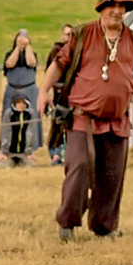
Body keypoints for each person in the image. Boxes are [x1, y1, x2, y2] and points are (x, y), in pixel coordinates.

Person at [52, 0, 133, 239]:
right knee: (79, 167)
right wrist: (43, 92)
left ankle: (104, 226)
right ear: (101, 8)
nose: (117, 11)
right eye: (112, 6)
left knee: (112, 175)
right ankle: (67, 223)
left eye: (122, 7)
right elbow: (59, 65)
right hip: (82, 117)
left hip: (117, 120)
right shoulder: (83, 34)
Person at [0, 30, 41, 165]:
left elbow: (32, 63)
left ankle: (30, 148)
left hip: (29, 89)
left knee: (30, 118)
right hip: (13, 89)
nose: (22, 40)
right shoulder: (9, 54)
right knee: (9, 118)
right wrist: (18, 48)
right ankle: (6, 147)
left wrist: (27, 47)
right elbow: (9, 64)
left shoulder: (32, 53)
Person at [41, 23, 76, 165]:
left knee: (72, 125)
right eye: (67, 34)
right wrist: (46, 92)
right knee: (57, 124)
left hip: (73, 93)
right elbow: (49, 73)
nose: (69, 38)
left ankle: (69, 154)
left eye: (71, 35)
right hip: (58, 92)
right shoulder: (56, 51)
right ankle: (55, 154)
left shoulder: (77, 51)